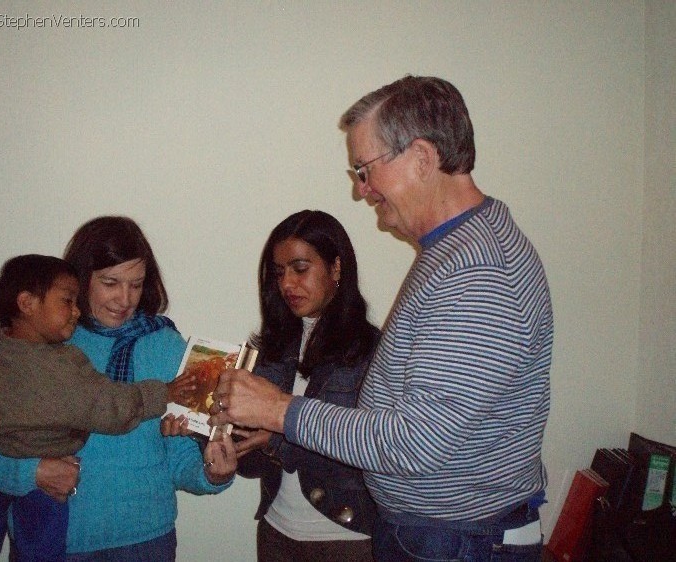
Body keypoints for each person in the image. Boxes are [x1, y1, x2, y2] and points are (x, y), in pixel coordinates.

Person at [209, 76, 553, 562]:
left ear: (421, 158)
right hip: (442, 536)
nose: (361, 190)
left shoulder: (476, 271)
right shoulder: (454, 251)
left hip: (456, 542)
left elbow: (414, 443)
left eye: (365, 169)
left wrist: (279, 411)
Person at [0, 216, 237, 561]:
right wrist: (32, 472)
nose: (125, 299)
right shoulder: (43, 339)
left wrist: (213, 473)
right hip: (53, 542)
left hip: (146, 541)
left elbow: (177, 458)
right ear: (83, 279)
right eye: (110, 282)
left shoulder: (168, 347)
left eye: (137, 284)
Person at [234, 210, 380, 562]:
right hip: (275, 531)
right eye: (279, 273)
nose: (287, 284)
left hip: (345, 539)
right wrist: (220, 441)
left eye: (300, 268)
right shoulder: (270, 348)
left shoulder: (371, 352)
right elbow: (251, 466)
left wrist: (279, 439)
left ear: (336, 268)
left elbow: (372, 449)